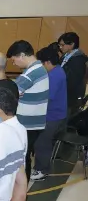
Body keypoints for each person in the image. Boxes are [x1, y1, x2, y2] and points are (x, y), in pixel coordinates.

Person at [7, 40, 49, 181]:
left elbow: (8, 93)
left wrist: (15, 92)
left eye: (14, 60)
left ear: (22, 55)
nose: (14, 64)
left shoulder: (31, 73)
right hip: (34, 122)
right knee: (25, 156)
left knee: (23, 158)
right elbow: (16, 90)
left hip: (28, 124)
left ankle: (21, 190)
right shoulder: (38, 68)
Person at [32, 47, 68, 181]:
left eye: (40, 63)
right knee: (42, 142)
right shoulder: (57, 70)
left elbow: (47, 96)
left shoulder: (54, 75)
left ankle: (42, 170)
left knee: (42, 143)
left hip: (52, 115)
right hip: (56, 113)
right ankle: (41, 167)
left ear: (47, 62)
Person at [58, 32, 88, 115]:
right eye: (59, 45)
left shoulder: (78, 59)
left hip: (70, 97)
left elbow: (73, 81)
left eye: (62, 45)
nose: (60, 47)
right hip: (62, 94)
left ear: (72, 44)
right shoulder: (66, 55)